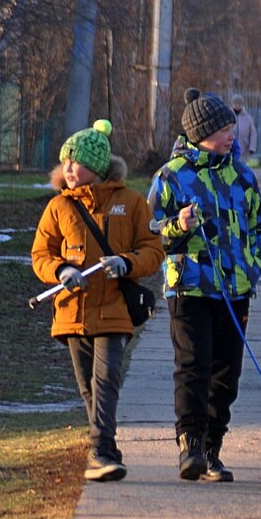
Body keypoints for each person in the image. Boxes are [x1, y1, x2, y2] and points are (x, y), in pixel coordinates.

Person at [148, 88, 261, 483]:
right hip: (189, 289)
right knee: (193, 366)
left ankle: (214, 448)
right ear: (201, 133)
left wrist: (252, 267)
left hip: (234, 291)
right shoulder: (171, 176)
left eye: (231, 128)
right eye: (223, 129)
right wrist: (177, 226)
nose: (231, 135)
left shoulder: (243, 176)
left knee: (226, 372)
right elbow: (150, 235)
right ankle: (191, 445)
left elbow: (260, 228)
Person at [31, 119, 164, 482]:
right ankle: (105, 448)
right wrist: (60, 272)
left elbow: (154, 249)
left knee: (106, 379)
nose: (70, 169)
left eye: (78, 162)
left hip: (116, 309)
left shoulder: (132, 202)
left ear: (99, 166)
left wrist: (127, 263)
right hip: (72, 311)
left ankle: (102, 450)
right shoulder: (58, 207)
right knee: (88, 386)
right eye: (66, 162)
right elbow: (41, 254)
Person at [231, 93, 258, 161]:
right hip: (230, 148)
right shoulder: (228, 116)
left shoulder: (248, 118)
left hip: (243, 148)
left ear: (242, 105)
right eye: (235, 104)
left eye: (239, 104)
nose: (237, 105)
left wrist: (252, 147)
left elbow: (253, 134)